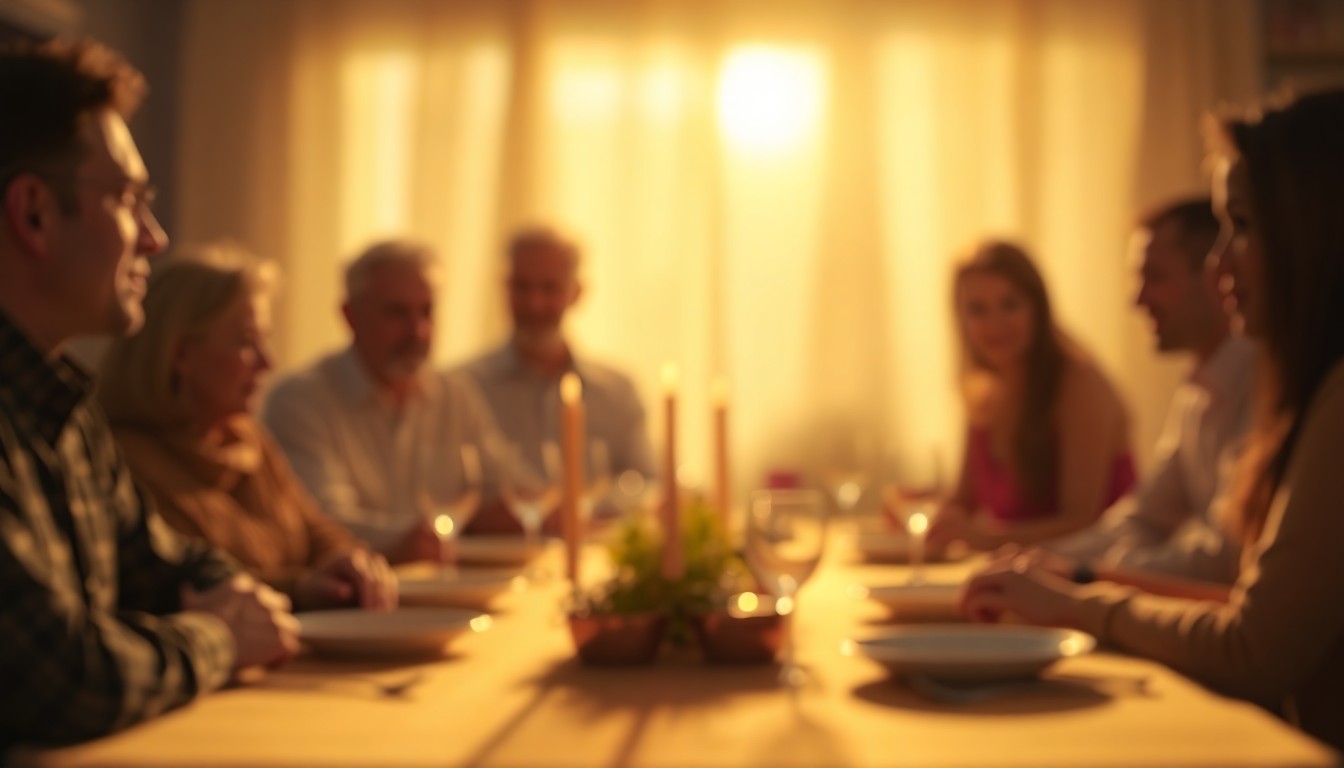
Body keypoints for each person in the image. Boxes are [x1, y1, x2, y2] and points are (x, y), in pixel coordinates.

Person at [958, 89, 1344, 750]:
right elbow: (1143, 521)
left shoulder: (1323, 396)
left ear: (1314, 234)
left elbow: (1251, 640)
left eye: (1242, 226)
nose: (1221, 262)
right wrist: (1062, 572)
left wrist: (1079, 594)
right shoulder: (1273, 389)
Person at [0, 38, 296, 748]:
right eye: (130, 201)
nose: (156, 240)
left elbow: (168, 564)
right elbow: (61, 682)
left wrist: (225, 601)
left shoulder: (64, 409)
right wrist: (218, 639)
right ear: (35, 213)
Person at [99, 245, 397, 611]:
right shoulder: (125, 461)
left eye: (264, 339)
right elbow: (185, 589)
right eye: (246, 342)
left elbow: (315, 528)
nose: (268, 362)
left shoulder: (245, 437)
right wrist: (299, 589)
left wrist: (346, 560)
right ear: (180, 355)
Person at [1042, 199, 1255, 589]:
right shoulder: (1198, 392)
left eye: (1153, 277)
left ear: (1217, 276)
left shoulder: (1262, 384)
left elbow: (1227, 558)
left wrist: (1095, 572)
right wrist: (1041, 561)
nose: (1136, 299)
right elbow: (1144, 518)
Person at [262, 240, 501, 564]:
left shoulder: (455, 395)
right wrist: (409, 540)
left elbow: (501, 489)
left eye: (426, 311)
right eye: (397, 313)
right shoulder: (299, 401)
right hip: (357, 592)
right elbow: (321, 522)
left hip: (444, 586)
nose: (418, 331)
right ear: (350, 316)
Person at [926, 241, 1137, 551]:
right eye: (978, 310)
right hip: (1021, 572)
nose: (995, 324)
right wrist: (927, 513)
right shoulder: (983, 390)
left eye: (1010, 304)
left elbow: (1084, 522)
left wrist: (983, 539)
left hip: (1099, 570)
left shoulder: (1079, 383)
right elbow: (964, 501)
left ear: (1038, 306)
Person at [457, 226, 656, 528]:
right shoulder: (462, 388)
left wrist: (580, 507)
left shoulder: (617, 390)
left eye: (549, 288)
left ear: (577, 292)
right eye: (522, 287)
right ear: (504, 288)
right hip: (497, 557)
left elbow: (646, 482)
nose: (535, 304)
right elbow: (451, 492)